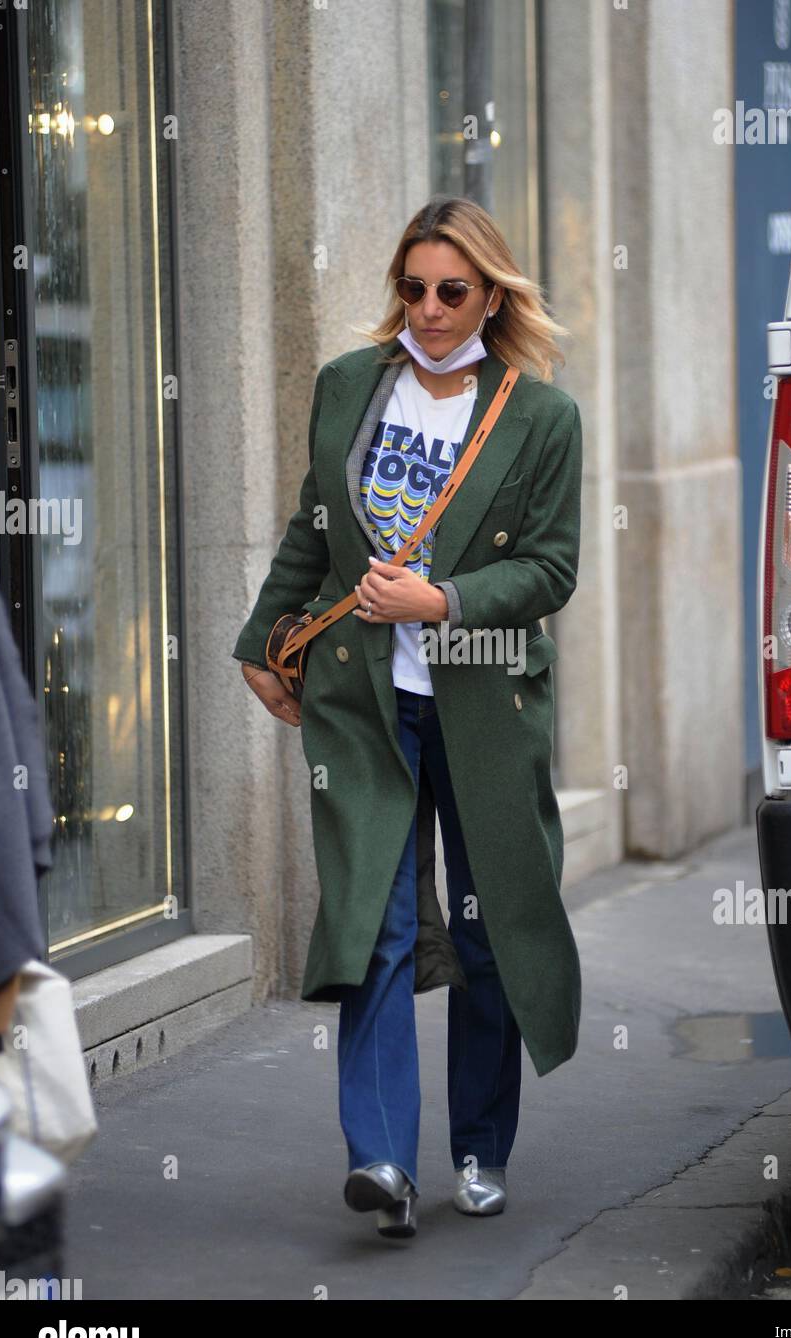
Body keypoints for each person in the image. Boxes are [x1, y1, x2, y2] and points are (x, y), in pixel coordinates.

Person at [233, 194, 583, 1239]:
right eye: (412, 288)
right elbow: (312, 524)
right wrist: (260, 641)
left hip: (479, 698)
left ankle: (477, 1147)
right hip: (362, 701)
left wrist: (444, 600)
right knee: (373, 928)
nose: (428, 311)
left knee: (484, 933)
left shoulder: (539, 416)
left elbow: (552, 566)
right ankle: (380, 1157)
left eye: (451, 291)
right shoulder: (350, 386)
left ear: (490, 292)